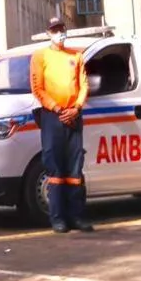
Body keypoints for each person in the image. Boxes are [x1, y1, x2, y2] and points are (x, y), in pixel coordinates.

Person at [30, 16, 93, 233]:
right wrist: (57, 109)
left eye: (61, 29)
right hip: (52, 117)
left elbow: (84, 85)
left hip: (74, 116)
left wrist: (76, 108)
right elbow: (38, 88)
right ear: (48, 33)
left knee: (75, 169)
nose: (59, 33)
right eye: (54, 30)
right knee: (55, 168)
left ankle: (77, 216)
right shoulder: (40, 56)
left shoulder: (76, 56)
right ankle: (58, 218)